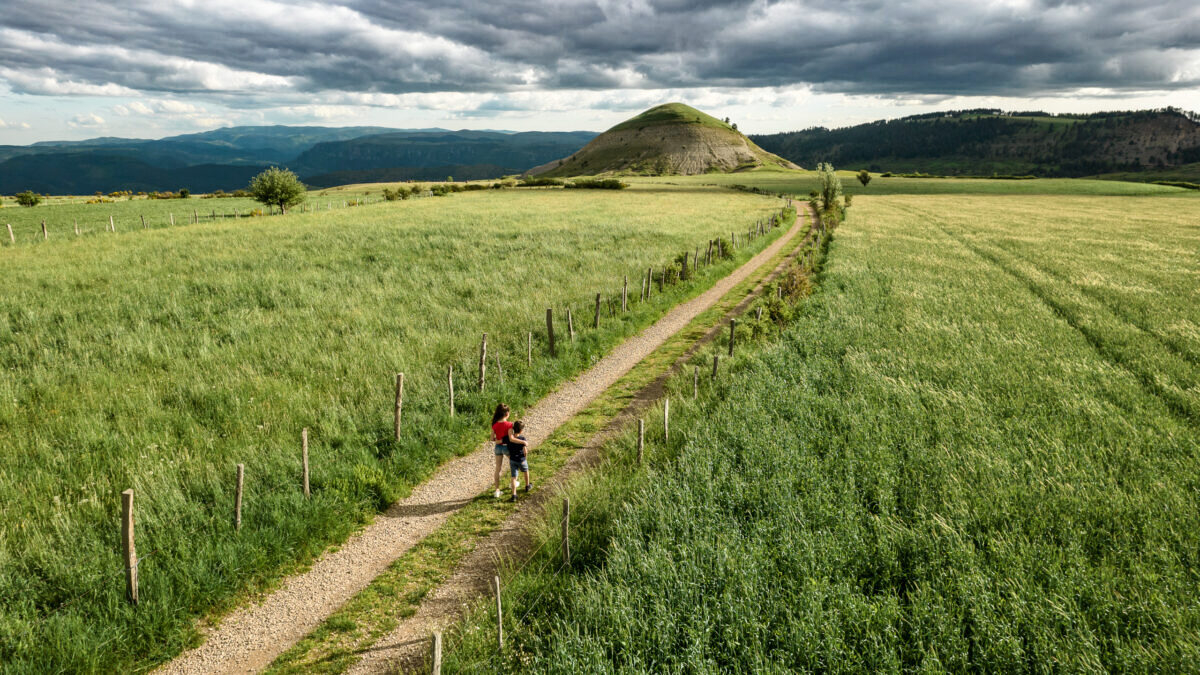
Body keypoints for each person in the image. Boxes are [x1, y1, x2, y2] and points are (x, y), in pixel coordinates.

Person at [491, 404, 513, 499]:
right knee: (513, 464)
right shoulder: (510, 424)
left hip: (498, 448)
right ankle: (513, 483)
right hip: (507, 447)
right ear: (507, 413)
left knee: (498, 468)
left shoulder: (495, 425)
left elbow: (492, 438)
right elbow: (510, 438)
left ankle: (497, 490)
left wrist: (497, 440)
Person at [507, 420, 530, 503]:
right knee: (526, 471)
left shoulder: (510, 439)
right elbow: (525, 451)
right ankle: (527, 486)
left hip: (512, 460)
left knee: (513, 477)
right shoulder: (522, 439)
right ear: (521, 430)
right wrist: (525, 458)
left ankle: (514, 494)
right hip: (521, 459)